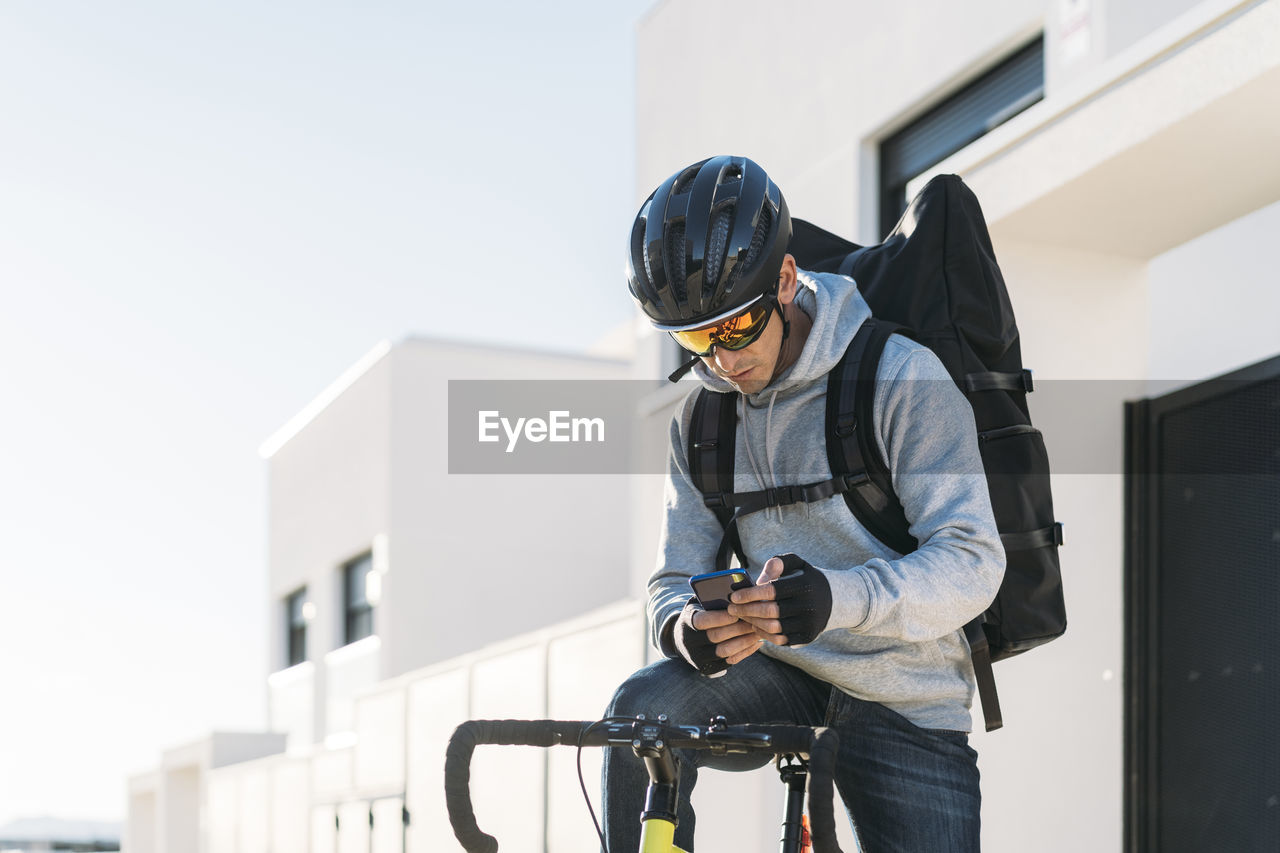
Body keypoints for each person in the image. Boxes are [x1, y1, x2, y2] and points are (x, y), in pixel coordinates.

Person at [601, 155, 1006, 852]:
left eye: (734, 327)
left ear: (784, 281)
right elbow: (670, 582)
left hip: (905, 686)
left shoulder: (903, 376)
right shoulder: (701, 423)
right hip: (781, 673)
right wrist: (686, 629)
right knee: (642, 712)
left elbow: (974, 561)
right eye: (697, 339)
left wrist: (834, 599)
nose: (722, 360)